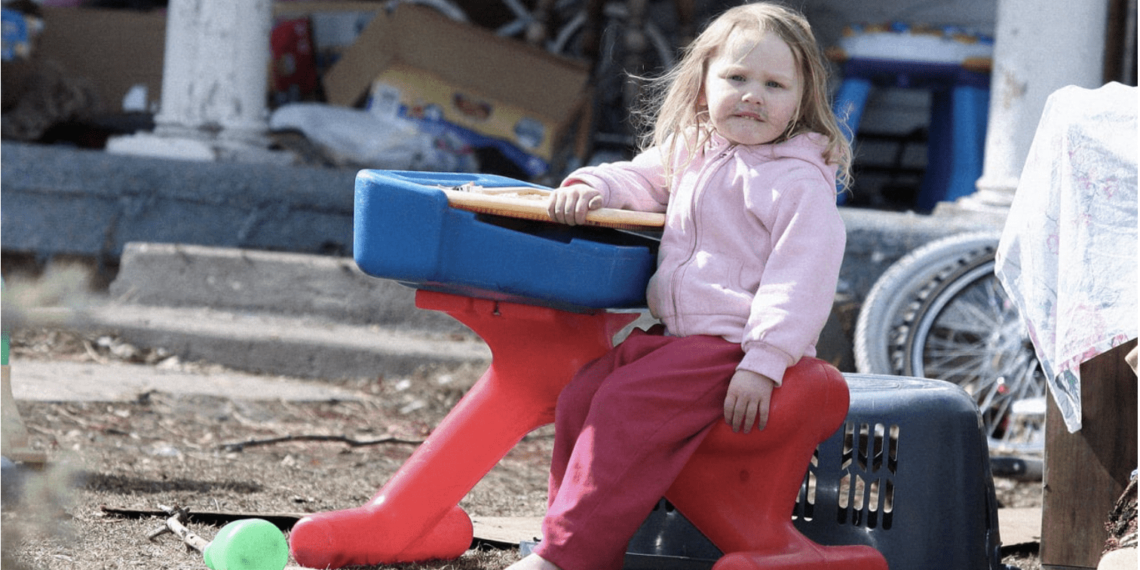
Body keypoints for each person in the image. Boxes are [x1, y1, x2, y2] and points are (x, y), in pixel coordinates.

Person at [508, 3, 852, 570]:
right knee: (581, 395)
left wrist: (762, 361)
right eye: (736, 77)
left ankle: (567, 556)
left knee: (620, 405)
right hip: (671, 339)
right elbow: (640, 178)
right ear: (702, 86)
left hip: (730, 347)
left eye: (773, 84)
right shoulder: (696, 149)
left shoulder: (797, 181)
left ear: (801, 97)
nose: (752, 95)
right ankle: (572, 545)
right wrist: (594, 183)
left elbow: (802, 279)